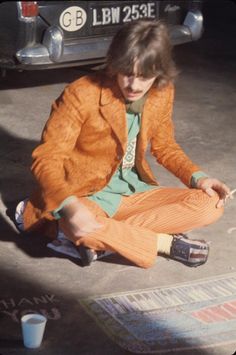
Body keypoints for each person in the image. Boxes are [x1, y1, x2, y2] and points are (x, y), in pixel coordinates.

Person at [19, 19, 231, 268]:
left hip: (134, 192)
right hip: (87, 197)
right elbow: (47, 159)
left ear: (159, 72)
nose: (134, 85)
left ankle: (102, 240)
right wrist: (70, 206)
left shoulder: (162, 92)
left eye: (145, 77)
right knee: (79, 226)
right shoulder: (80, 93)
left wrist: (199, 178)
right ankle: (165, 243)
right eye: (127, 74)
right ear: (115, 64)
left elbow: (165, 147)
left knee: (209, 205)